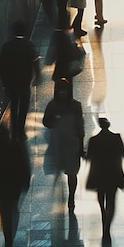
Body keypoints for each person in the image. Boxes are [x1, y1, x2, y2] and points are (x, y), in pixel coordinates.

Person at [43, 78, 84, 212]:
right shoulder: (55, 106)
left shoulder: (71, 106)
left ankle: (71, 197)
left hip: (71, 144)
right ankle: (68, 196)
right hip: (61, 143)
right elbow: (46, 122)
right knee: (69, 171)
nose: (63, 93)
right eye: (61, 91)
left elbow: (80, 127)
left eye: (64, 91)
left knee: (72, 173)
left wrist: (81, 146)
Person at [85, 118, 124, 241]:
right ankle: (107, 225)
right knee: (111, 201)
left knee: (101, 196)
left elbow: (89, 157)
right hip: (113, 173)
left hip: (98, 174)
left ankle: (103, 215)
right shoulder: (116, 138)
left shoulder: (93, 140)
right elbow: (123, 154)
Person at [0, 19, 40, 139]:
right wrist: (37, 76)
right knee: (23, 106)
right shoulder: (28, 45)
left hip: (11, 83)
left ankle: (13, 131)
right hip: (24, 82)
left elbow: (1, 66)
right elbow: (35, 62)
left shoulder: (7, 46)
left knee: (14, 104)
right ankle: (20, 131)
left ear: (12, 31)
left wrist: (5, 83)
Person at [0, 126, 31, 247]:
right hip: (15, 183)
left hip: (2, 183)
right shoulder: (16, 146)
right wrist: (26, 182)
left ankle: (7, 235)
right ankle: (10, 234)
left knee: (4, 209)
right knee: (13, 207)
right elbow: (24, 165)